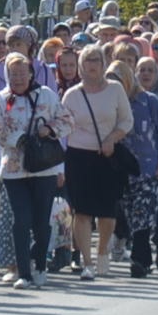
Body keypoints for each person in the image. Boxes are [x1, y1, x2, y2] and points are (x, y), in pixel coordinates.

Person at [53, 43, 134, 281]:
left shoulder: (115, 89)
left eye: (96, 61)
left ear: (103, 64)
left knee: (108, 212)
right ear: (81, 66)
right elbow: (64, 127)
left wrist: (112, 139)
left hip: (107, 156)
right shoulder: (73, 95)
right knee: (83, 211)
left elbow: (126, 120)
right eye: (87, 61)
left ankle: (102, 253)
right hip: (79, 157)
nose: (91, 66)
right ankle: (87, 262)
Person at [0, 55, 61, 288]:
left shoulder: (46, 95)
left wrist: (49, 129)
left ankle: (40, 265)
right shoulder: (0, 100)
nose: (17, 78)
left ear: (30, 73)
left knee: (41, 222)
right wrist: (21, 140)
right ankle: (23, 272)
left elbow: (67, 121)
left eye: (21, 73)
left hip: (44, 169)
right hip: (14, 169)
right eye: (12, 74)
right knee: (21, 219)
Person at [109, 52, 158, 277]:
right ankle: (137, 254)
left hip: (148, 169)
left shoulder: (148, 101)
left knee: (144, 213)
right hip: (121, 170)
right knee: (129, 214)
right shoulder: (110, 104)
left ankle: (139, 260)